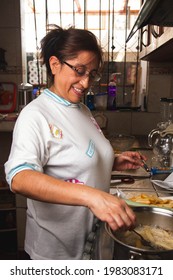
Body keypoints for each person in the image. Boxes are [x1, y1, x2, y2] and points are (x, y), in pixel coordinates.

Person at [5, 25, 146, 260]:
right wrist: (92, 196)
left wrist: (111, 161)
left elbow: (72, 159)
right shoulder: (35, 114)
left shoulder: (81, 109)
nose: (86, 82)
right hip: (57, 254)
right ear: (54, 64)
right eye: (79, 70)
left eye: (92, 74)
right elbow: (20, 178)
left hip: (91, 245)